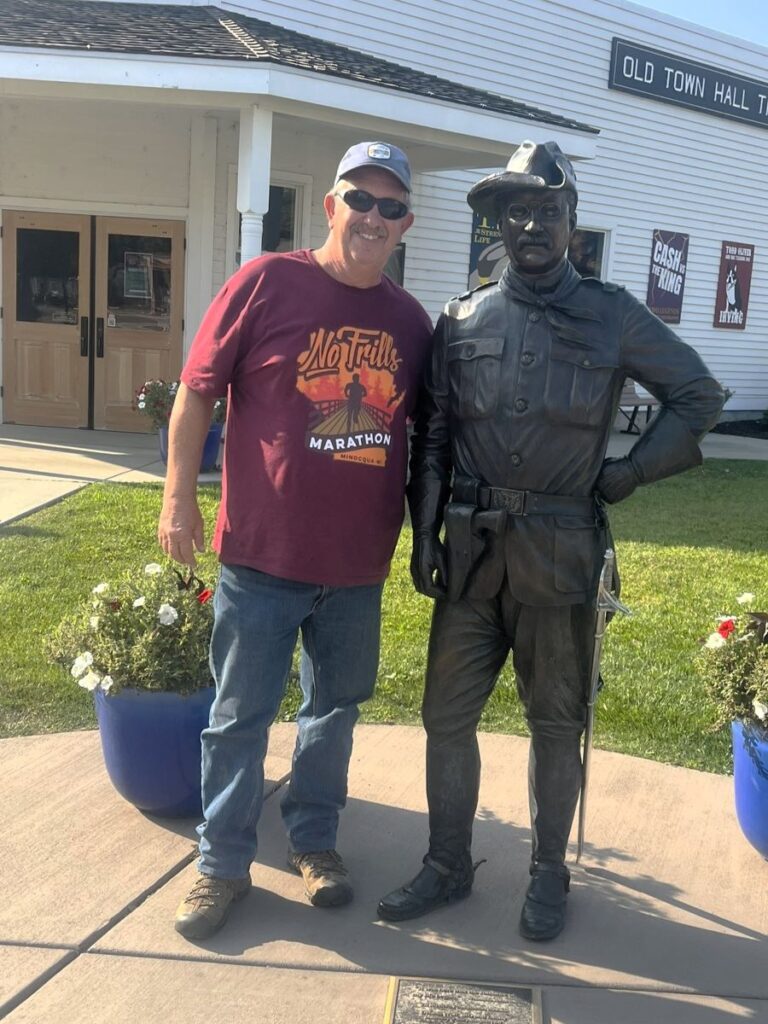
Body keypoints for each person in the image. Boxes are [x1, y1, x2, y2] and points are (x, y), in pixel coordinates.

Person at [377, 141, 725, 941]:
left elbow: (698, 395)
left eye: (549, 212)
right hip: (469, 552)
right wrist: (421, 530)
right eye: (517, 212)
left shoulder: (613, 315)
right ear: (497, 224)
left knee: (556, 723)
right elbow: (432, 434)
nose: (531, 225)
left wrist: (632, 472)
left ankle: (548, 873)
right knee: (444, 715)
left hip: (562, 552)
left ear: (572, 223)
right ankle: (447, 862)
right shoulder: (462, 320)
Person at [158, 141, 432, 940]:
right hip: (262, 556)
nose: (372, 217)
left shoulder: (410, 323)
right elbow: (195, 393)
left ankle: (315, 844)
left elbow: (429, 434)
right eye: (360, 199)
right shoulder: (266, 282)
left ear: (405, 224)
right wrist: (178, 498)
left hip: (356, 566)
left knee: (333, 714)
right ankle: (221, 865)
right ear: (331, 206)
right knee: (240, 716)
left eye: (390, 207)